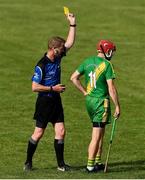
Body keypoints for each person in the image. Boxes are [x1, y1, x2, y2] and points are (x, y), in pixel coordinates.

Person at [24, 12, 76, 172]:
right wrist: (53, 88)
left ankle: (61, 165)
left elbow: (69, 43)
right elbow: (34, 87)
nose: (63, 51)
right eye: (61, 50)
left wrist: (72, 24)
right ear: (54, 49)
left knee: (61, 131)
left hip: (56, 101)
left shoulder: (58, 57)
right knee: (38, 133)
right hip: (45, 101)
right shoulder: (41, 65)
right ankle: (28, 162)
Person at [70, 40, 120, 173]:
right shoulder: (107, 65)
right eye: (111, 52)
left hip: (90, 102)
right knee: (96, 135)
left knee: (101, 132)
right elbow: (111, 88)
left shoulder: (87, 61)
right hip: (100, 103)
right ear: (107, 51)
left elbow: (73, 78)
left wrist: (84, 91)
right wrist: (117, 106)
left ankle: (97, 162)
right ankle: (90, 166)